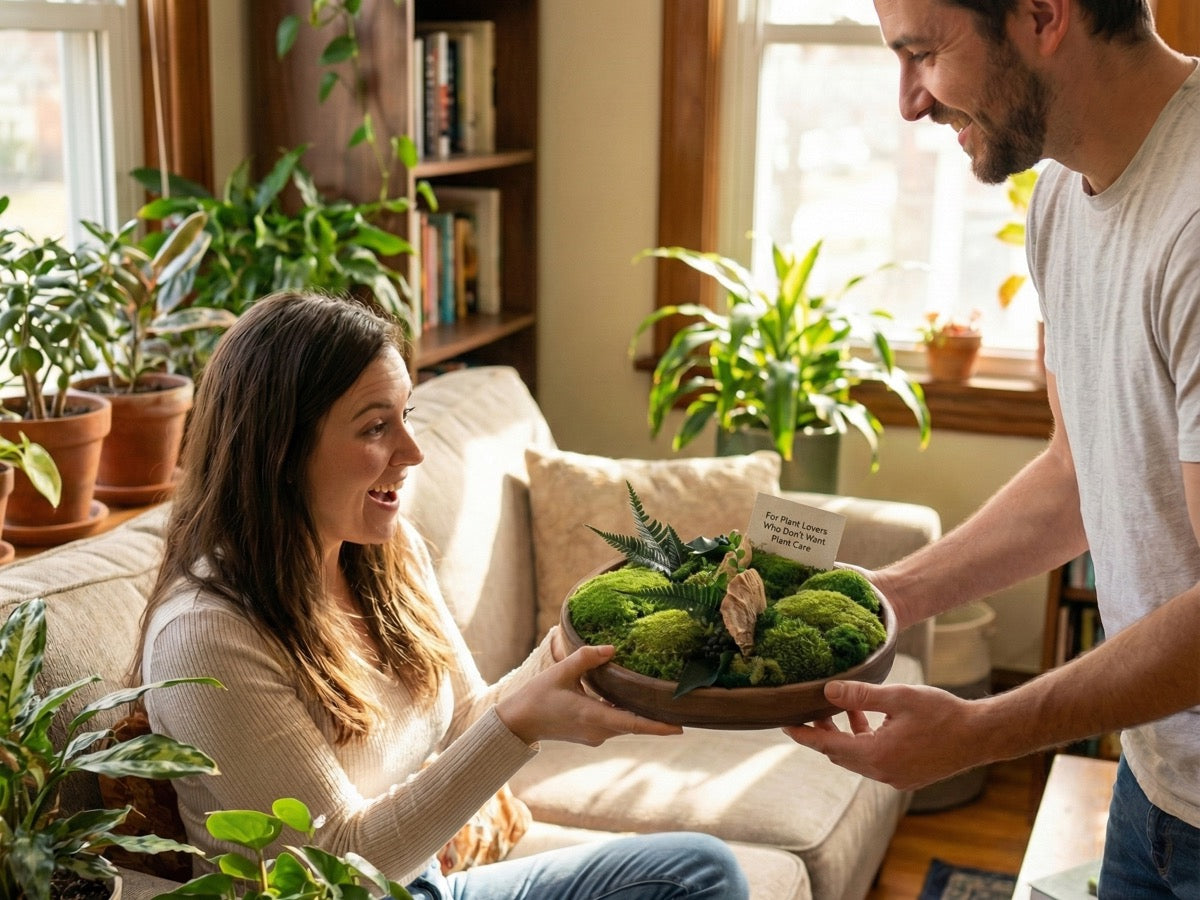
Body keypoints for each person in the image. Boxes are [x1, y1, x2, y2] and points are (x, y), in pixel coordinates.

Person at [134, 290, 749, 900]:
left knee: (700, 871)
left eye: (408, 416)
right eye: (376, 426)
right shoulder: (205, 636)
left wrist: (586, 643)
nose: (413, 452)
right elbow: (338, 868)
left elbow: (462, 719)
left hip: (423, 888)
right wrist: (520, 725)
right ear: (280, 450)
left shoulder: (382, 553)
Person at [784, 1, 1200, 895]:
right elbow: (1075, 474)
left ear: (1043, 15)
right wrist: (890, 594)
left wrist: (981, 731)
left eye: (925, 54)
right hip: (1160, 779)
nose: (909, 102)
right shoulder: (1057, 199)